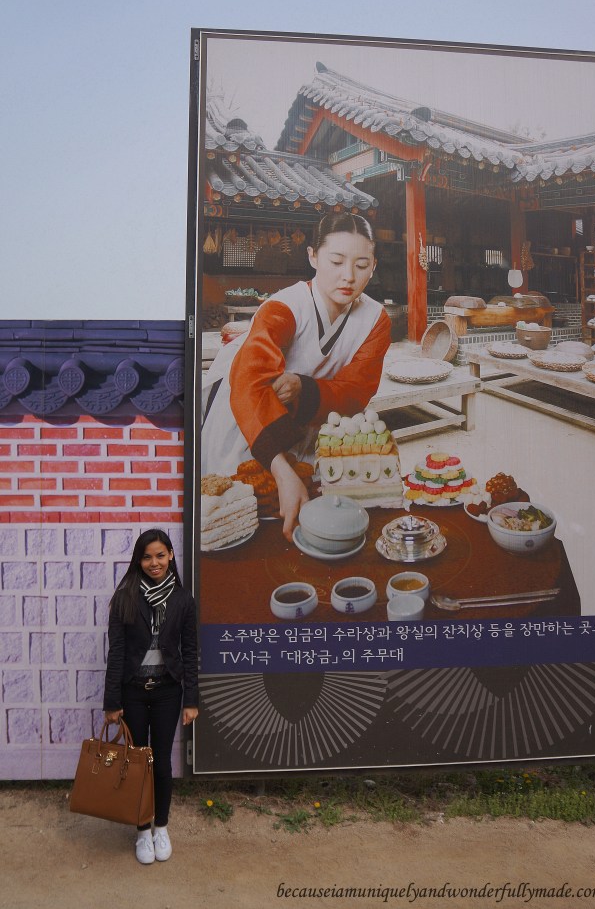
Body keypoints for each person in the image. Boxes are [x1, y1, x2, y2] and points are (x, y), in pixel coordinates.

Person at [202, 212, 391, 540]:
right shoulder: (285, 307)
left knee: (303, 516)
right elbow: (250, 381)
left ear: (373, 266)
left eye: (361, 265)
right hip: (248, 414)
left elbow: (356, 390)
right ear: (313, 257)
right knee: (234, 518)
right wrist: (280, 469)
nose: (348, 276)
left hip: (308, 419)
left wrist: (303, 387)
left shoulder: (375, 318)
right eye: (336, 261)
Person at [103, 529, 198, 865]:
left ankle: (161, 827)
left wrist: (191, 700)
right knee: (136, 764)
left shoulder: (183, 600)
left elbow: (190, 651)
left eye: (160, 555)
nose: (154, 562)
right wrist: (112, 702)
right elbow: (116, 652)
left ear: (170, 555)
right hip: (132, 692)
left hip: (167, 692)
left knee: (160, 762)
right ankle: (142, 830)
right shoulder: (126, 597)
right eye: (147, 557)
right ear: (138, 560)